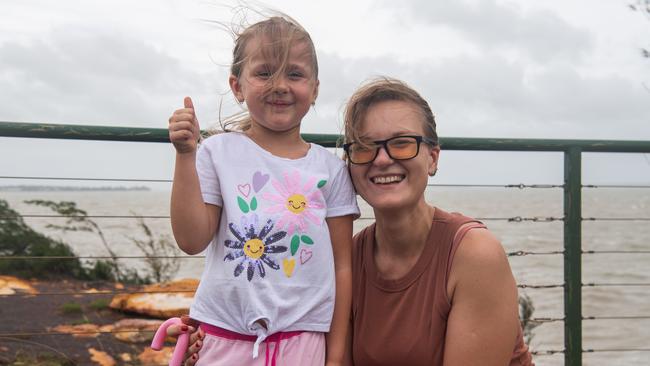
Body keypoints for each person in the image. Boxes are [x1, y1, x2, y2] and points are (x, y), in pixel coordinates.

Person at [175, 77, 534, 365]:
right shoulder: (345, 260)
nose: (382, 159)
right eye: (364, 147)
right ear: (348, 167)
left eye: (403, 143)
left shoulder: (472, 254)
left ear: (433, 157)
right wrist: (221, 340)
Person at [165, 14, 359, 366]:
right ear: (237, 86)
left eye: (295, 74)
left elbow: (342, 268)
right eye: (265, 72)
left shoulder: (331, 170)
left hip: (304, 341)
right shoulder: (215, 152)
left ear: (315, 88)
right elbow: (191, 240)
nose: (280, 85)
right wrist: (185, 155)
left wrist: (337, 355)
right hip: (221, 335)